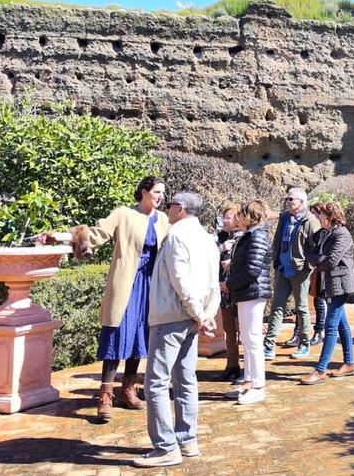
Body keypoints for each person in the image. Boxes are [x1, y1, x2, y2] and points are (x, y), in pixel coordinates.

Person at [66, 175, 170, 423]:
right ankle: (105, 395)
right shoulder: (123, 213)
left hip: (151, 285)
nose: (160, 197)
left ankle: (128, 388)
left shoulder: (164, 219)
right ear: (143, 191)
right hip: (126, 283)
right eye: (156, 192)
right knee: (116, 336)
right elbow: (96, 234)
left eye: (162, 193)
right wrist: (64, 237)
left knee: (140, 337)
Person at [133, 192, 221, 469]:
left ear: (180, 209)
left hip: (171, 317)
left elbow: (181, 281)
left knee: (156, 383)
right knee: (185, 379)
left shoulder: (176, 237)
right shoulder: (208, 239)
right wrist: (204, 315)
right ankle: (186, 439)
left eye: (170, 205)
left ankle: (165, 447)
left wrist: (198, 313)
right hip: (192, 319)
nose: (166, 209)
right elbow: (213, 283)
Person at [300, 200, 354, 384]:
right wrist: (320, 258)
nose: (318, 217)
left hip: (340, 284)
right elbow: (311, 254)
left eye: (321, 215)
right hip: (329, 283)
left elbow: (331, 261)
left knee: (330, 326)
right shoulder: (324, 234)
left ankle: (320, 370)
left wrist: (320, 259)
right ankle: (350, 363)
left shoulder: (342, 234)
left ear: (330, 216)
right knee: (342, 325)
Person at [224, 199, 273, 405]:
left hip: (252, 293)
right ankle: (248, 382)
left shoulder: (257, 236)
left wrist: (230, 284)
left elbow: (252, 270)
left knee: (252, 340)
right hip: (246, 293)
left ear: (250, 216)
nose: (238, 218)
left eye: (241, 215)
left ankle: (258, 386)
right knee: (248, 338)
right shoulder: (250, 236)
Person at [265, 187, 321, 361]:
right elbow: (277, 240)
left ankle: (304, 344)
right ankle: (269, 345)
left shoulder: (311, 221)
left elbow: (317, 248)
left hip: (299, 271)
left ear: (302, 202)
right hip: (282, 268)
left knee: (301, 307)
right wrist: (275, 260)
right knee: (277, 306)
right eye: (287, 199)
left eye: (291, 200)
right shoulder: (284, 218)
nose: (287, 202)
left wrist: (307, 266)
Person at [216, 204, 242, 383]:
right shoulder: (219, 238)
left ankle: (248, 368)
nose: (225, 220)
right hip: (223, 290)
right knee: (229, 329)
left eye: (229, 217)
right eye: (224, 217)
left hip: (238, 290)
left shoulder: (243, 237)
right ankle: (231, 365)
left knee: (242, 329)